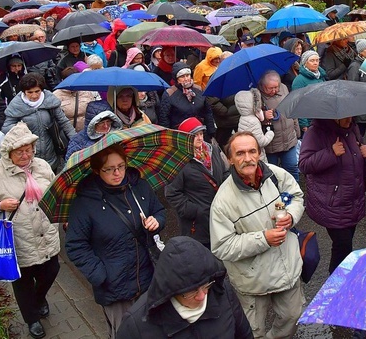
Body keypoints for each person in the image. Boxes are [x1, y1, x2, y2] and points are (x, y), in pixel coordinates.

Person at [0, 122, 60, 339]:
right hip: (18, 240)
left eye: (29, 150)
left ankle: (39, 299)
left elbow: (55, 191)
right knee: (23, 282)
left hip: (46, 233)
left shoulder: (42, 166)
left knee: (51, 270)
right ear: (8, 153)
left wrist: (62, 216)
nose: (26, 155)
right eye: (20, 152)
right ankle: (32, 319)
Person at [209, 132, 305, 339]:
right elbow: (222, 246)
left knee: (293, 315)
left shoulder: (276, 175)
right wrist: (263, 239)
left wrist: (291, 215)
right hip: (252, 280)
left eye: (252, 151)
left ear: (260, 153)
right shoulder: (223, 201)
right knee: (253, 331)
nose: (248, 158)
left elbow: (296, 196)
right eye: (240, 153)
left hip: (286, 267)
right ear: (230, 159)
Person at [66, 143, 167, 338]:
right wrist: (100, 275)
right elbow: (75, 245)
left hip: (149, 278)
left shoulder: (140, 187)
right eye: (109, 169)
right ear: (97, 171)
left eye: (121, 166)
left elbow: (159, 211)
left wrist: (157, 221)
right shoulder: (85, 203)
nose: (117, 173)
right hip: (116, 289)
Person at [116, 236, 253, 339]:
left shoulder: (222, 292)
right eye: (191, 292)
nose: (202, 296)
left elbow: (244, 335)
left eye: (206, 285)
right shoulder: (136, 324)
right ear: (169, 291)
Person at [299, 116, 366, 273]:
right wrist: (331, 153)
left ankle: (341, 278)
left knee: (345, 244)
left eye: (351, 115)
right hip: (332, 202)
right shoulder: (315, 132)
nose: (349, 119)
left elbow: (356, 154)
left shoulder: (353, 128)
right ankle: (336, 280)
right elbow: (304, 164)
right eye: (345, 117)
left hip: (353, 199)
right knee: (343, 245)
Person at [164, 117, 228, 248]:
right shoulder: (178, 161)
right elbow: (172, 193)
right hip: (197, 225)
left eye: (201, 134)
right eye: (194, 135)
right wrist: (195, 211)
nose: (199, 138)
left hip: (221, 215)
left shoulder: (213, 150)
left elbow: (225, 172)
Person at [2, 72, 76, 172]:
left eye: (37, 91)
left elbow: (64, 122)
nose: (34, 95)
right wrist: (21, 128)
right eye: (30, 92)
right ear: (24, 92)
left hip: (51, 153)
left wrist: (75, 140)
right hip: (28, 156)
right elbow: (6, 127)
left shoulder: (50, 101)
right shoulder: (16, 105)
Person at [258, 70, 301, 182]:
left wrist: (297, 130)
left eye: (276, 87)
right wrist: (263, 116)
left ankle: (294, 192)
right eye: (270, 88)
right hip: (271, 143)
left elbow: (292, 109)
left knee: (292, 167)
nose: (274, 90)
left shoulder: (284, 88)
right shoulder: (256, 95)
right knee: (272, 172)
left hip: (289, 139)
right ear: (262, 86)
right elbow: (251, 118)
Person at [157, 62, 215, 138]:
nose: (186, 79)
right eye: (182, 76)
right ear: (177, 79)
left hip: (199, 131)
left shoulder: (198, 89)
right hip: (180, 134)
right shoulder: (169, 94)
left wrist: (211, 131)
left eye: (187, 75)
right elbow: (164, 118)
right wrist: (167, 136)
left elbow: (207, 112)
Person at [53, 67, 100, 132]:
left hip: (87, 130)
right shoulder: (56, 95)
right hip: (67, 133)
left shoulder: (86, 91)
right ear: (63, 80)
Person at [292, 50, 327, 132]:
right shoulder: (299, 81)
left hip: (324, 117)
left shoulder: (321, 76)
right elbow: (298, 103)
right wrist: (304, 124)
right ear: (305, 63)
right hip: (311, 121)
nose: (315, 63)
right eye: (312, 60)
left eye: (317, 60)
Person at [235, 88, 275, 161]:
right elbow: (261, 142)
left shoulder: (242, 117)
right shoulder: (253, 121)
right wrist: (270, 133)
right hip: (257, 157)